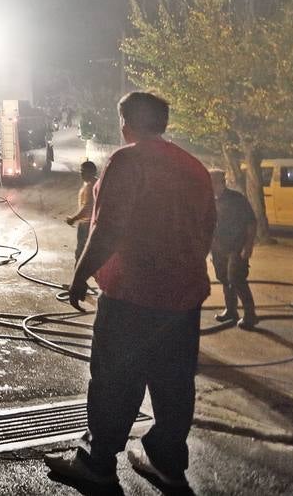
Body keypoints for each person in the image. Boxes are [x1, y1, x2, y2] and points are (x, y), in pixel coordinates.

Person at [45, 92, 216, 491]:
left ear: (126, 122)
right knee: (174, 382)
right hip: (183, 298)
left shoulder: (126, 161)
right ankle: (166, 461)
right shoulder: (193, 167)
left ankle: (97, 462)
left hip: (131, 295)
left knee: (114, 379)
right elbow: (208, 229)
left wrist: (80, 274)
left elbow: (107, 228)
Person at [208, 168, 258, 329]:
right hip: (218, 248)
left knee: (236, 279)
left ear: (221, 182)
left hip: (236, 247)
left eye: (212, 182)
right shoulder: (208, 200)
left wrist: (248, 245)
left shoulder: (237, 199)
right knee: (224, 279)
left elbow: (251, 222)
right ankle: (231, 310)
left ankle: (250, 315)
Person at [64, 161, 98, 262]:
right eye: (81, 171)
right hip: (91, 223)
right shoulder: (94, 183)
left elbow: (87, 207)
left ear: (92, 172)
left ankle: (79, 277)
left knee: (81, 255)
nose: (81, 173)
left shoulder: (90, 186)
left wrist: (73, 218)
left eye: (84, 171)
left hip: (86, 225)